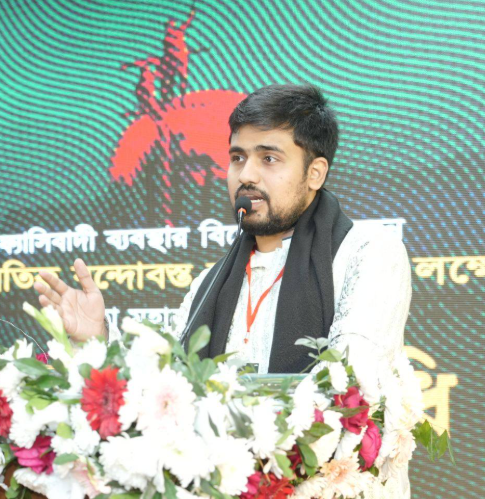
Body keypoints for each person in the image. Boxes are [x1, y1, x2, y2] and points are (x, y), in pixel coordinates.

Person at [34, 84, 412, 495]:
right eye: (237, 158)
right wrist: (97, 341)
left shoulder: (368, 254)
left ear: (315, 173)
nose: (246, 175)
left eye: (269, 158)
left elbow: (348, 387)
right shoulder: (209, 284)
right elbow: (167, 389)